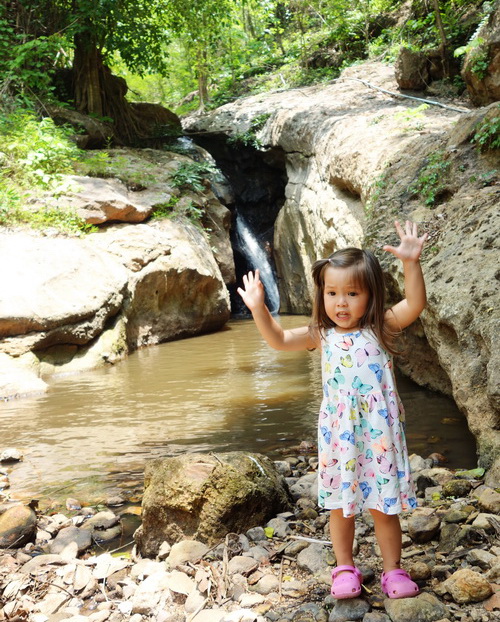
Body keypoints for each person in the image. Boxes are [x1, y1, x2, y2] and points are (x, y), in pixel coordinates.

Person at [237, 220, 428, 600]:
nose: (341, 303)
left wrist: (411, 263)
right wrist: (259, 308)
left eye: (352, 293)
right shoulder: (320, 334)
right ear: (321, 295)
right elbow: (276, 340)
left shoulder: (381, 327)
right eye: (332, 293)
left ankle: (392, 570)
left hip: (378, 436)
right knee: (342, 507)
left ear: (371, 295)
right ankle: (344, 568)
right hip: (340, 435)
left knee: (384, 507)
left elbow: (416, 303)